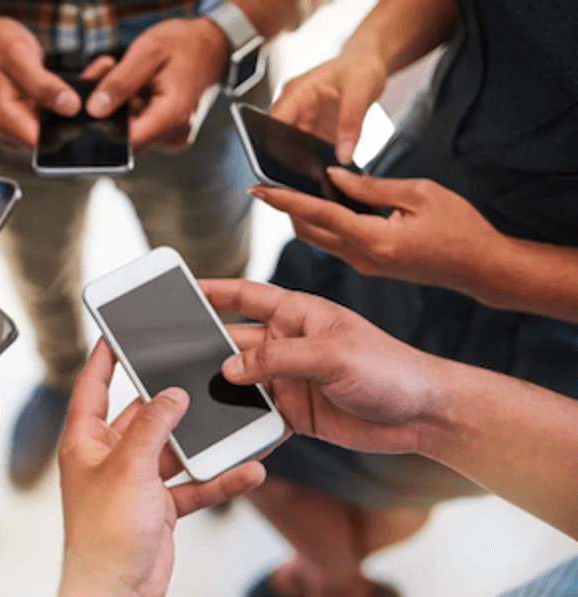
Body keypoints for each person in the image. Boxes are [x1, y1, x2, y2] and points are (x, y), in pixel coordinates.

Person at [0, 0, 329, 487]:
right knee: (36, 268)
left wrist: (226, 31)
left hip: (209, 86)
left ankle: (214, 398)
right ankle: (63, 374)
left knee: (211, 275)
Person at [225, 0, 578, 593]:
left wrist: (493, 268)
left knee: (291, 460)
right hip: (415, 185)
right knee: (382, 473)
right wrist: (370, 50)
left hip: (531, 315)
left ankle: (334, 582)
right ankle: (336, 571)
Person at [55, 278, 578, 597]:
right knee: (396, 497)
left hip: (505, 383)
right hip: (519, 394)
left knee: (277, 473)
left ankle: (334, 579)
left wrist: (100, 585)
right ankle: (337, 578)